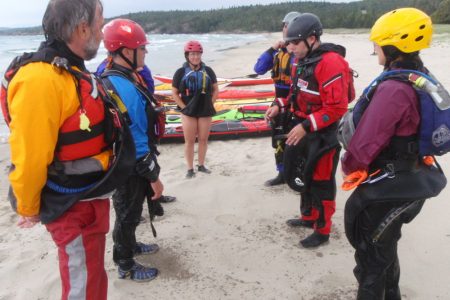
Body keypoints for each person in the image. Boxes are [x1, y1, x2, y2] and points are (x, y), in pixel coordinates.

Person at [1, 0, 136, 298]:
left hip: (87, 198)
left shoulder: (72, 72)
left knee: (91, 278)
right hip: (71, 205)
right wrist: (28, 207)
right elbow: (29, 153)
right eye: (100, 23)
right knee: (83, 284)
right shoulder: (40, 78)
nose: (102, 32)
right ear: (82, 27)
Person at [340, 8, 447, 299]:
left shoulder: (394, 89)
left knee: (371, 257)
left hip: (391, 184)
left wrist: (350, 166)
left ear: (393, 45)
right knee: (385, 246)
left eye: (377, 45)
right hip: (413, 176)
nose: (374, 50)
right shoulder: (418, 75)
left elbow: (367, 140)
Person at [272, 13, 353, 248]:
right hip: (302, 127)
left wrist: (307, 126)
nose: (290, 47)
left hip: (323, 134)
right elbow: (294, 94)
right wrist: (279, 105)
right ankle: (308, 216)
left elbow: (337, 107)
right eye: (288, 42)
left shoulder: (331, 63)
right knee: (301, 173)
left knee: (321, 180)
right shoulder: (302, 60)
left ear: (312, 38)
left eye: (294, 42)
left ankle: (323, 230)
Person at [101, 18, 165, 282]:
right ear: (126, 51)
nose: (145, 52)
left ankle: (131, 246)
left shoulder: (121, 77)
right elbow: (136, 139)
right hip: (129, 164)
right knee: (127, 214)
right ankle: (125, 263)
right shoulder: (123, 84)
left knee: (130, 210)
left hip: (125, 162)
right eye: (142, 48)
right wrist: (153, 176)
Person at [97, 59, 176, 204]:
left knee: (152, 161)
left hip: (145, 124)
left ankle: (155, 198)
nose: (144, 53)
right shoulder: (106, 70)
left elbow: (148, 86)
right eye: (140, 48)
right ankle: (131, 206)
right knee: (129, 177)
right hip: (125, 133)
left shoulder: (139, 67)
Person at [254, 11, 301, 186]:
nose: (285, 29)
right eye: (284, 26)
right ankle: (282, 174)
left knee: (296, 141)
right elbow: (258, 68)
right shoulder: (277, 52)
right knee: (278, 139)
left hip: (296, 103)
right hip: (279, 102)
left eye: (288, 26)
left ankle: (297, 173)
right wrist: (272, 49)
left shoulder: (301, 53)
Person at [171, 40, 219, 178]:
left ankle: (202, 165)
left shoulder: (208, 71)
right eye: (192, 54)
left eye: (197, 54)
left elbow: (215, 90)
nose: (195, 57)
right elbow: (174, 92)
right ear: (187, 55)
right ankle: (190, 168)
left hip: (205, 110)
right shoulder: (180, 72)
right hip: (188, 111)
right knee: (190, 141)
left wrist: (210, 103)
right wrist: (184, 108)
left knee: (203, 139)